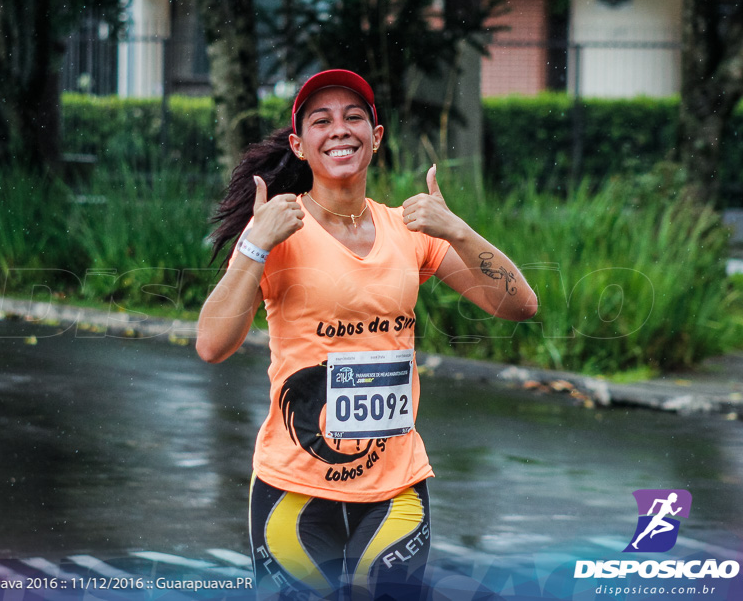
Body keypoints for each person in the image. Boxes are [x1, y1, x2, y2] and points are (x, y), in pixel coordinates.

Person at [196, 69, 538, 600]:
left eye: (355, 117)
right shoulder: (278, 232)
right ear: (299, 145)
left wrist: (458, 230)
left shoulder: (410, 230)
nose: (340, 129)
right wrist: (253, 245)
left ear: (376, 138)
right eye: (321, 120)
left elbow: (519, 304)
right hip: (295, 490)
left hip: (398, 487)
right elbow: (212, 345)